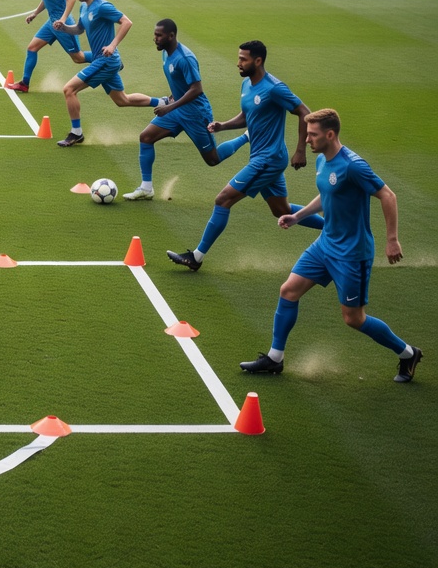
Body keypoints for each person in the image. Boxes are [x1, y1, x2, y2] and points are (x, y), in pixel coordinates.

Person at [241, 109, 421, 383]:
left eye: (312, 135)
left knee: (354, 319)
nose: (307, 140)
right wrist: (297, 216)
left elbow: (388, 195)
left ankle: (408, 353)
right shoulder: (323, 160)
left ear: (330, 134)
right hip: (325, 246)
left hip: (352, 254)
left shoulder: (353, 166)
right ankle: (275, 358)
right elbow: (327, 194)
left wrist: (392, 239)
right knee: (288, 290)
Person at [167, 40, 323, 271]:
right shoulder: (246, 85)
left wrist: (300, 149)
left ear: (258, 61)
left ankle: (196, 257)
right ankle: (336, 226)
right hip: (261, 157)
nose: (238, 63)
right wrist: (222, 126)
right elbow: (246, 116)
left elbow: (304, 112)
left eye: (243, 59)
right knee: (281, 211)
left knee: (223, 199)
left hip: (268, 159)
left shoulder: (274, 88)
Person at [122, 20, 248, 201]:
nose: (155, 39)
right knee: (146, 137)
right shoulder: (166, 53)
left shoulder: (185, 58)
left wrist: (169, 107)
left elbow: (197, 89)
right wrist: (174, 98)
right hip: (178, 109)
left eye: (159, 35)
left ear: (171, 36)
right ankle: (146, 188)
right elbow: (180, 83)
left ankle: (246, 136)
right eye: (155, 34)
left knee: (212, 159)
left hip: (196, 114)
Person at [50, 0, 158, 147]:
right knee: (122, 100)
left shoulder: (102, 6)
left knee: (69, 89)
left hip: (105, 60)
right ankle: (164, 102)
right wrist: (63, 28)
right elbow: (79, 29)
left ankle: (76, 133)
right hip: (104, 60)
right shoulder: (84, 7)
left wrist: (113, 45)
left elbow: (127, 22)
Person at [6, 0, 85, 94]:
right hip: (51, 23)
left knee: (78, 58)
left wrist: (62, 19)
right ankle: (25, 83)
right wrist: (35, 13)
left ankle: (109, 60)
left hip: (63, 26)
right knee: (32, 48)